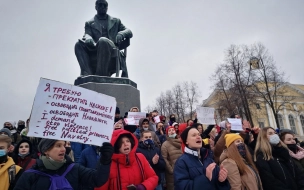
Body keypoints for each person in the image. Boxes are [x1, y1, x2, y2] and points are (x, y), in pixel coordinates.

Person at [14, 139, 113, 189]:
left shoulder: (74, 169)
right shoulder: (30, 175)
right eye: (58, 145)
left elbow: (98, 179)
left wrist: (104, 160)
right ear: (46, 150)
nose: (63, 149)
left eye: (64, 145)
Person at [75, 0, 133, 77]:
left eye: (104, 5)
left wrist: (121, 34)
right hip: (95, 47)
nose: (102, 7)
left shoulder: (116, 21)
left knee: (103, 40)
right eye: (100, 5)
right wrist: (88, 38)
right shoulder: (89, 23)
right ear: (96, 7)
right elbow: (87, 34)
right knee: (78, 44)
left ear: (107, 7)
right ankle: (87, 73)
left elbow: (129, 31)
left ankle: (101, 74)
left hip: (111, 47)